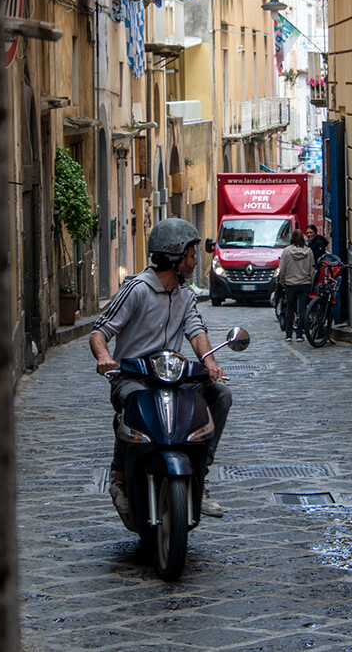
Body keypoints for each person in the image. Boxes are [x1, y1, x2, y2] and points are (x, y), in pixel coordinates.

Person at [89, 217, 231, 518]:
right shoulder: (137, 289)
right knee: (133, 401)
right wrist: (104, 357)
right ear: (175, 256)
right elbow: (100, 331)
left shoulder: (185, 295)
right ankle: (121, 479)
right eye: (191, 255)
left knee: (219, 395)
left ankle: (199, 478)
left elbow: (196, 330)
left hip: (171, 375)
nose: (194, 260)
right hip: (132, 376)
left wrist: (209, 362)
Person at [277, 229, 315, 342]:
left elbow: (282, 269)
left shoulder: (287, 251)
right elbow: (312, 269)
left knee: (290, 308)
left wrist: (282, 281)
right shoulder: (308, 252)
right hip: (305, 283)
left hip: (290, 284)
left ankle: (289, 334)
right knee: (302, 309)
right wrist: (311, 282)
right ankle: (299, 334)